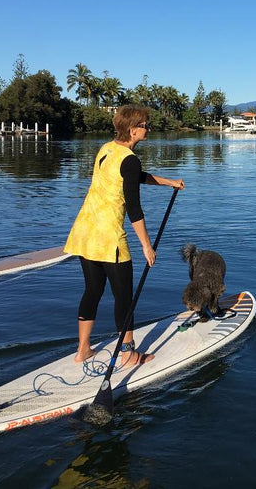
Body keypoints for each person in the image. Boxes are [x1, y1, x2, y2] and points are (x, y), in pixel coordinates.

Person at [64, 105, 185, 367]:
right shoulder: (129, 158)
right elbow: (133, 206)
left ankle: (83, 349)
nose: (148, 129)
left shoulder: (107, 148)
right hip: (109, 237)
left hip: (85, 232)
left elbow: (132, 177)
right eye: (144, 125)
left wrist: (168, 182)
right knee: (124, 296)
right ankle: (129, 354)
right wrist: (146, 245)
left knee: (92, 291)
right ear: (132, 130)